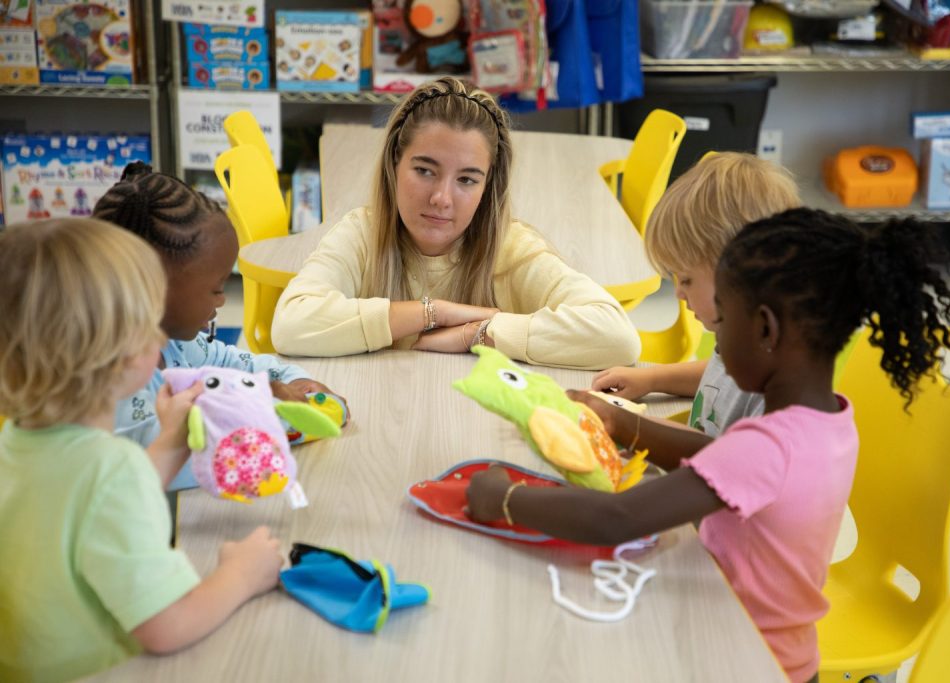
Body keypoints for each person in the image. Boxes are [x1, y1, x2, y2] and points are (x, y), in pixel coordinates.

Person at [467, 208, 950, 683]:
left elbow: (617, 519)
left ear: (766, 329)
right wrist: (620, 424)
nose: (716, 343)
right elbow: (715, 464)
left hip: (740, 656)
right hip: (789, 657)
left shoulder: (768, 447)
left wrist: (504, 498)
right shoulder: (829, 420)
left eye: (723, 319)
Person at [0, 219, 283, 682]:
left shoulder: (17, 442)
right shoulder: (111, 471)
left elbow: (93, 509)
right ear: (128, 353)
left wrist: (171, 442)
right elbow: (166, 626)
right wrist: (243, 575)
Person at [271, 76, 640, 370]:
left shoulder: (511, 248)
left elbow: (618, 338)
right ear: (394, 164)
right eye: (424, 170)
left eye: (466, 179)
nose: (441, 198)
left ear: (487, 185)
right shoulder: (362, 234)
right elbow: (290, 325)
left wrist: (477, 334)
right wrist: (435, 312)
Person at [92, 163, 339, 488]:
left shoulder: (176, 340)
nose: (222, 301)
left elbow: (235, 362)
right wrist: (281, 421)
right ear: (154, 287)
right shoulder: (111, 376)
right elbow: (172, 462)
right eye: (217, 288)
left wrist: (295, 380)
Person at [593, 152, 800, 444]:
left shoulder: (779, 393)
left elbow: (723, 465)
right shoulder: (743, 337)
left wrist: (631, 428)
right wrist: (652, 379)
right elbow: (719, 375)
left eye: (687, 280)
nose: (678, 293)